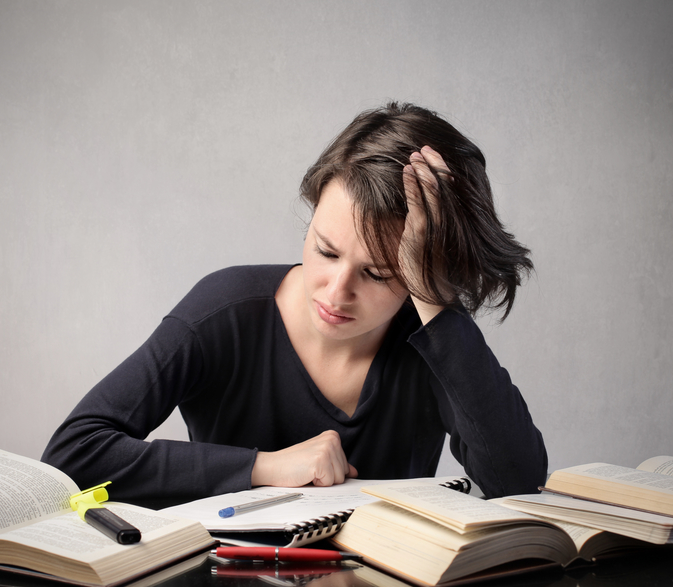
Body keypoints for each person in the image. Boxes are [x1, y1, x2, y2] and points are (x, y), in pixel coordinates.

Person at [42, 102, 547, 504]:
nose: (335, 291)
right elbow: (71, 456)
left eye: (377, 274)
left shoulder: (433, 338)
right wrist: (262, 467)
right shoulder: (224, 311)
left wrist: (435, 302)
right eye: (325, 250)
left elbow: (518, 482)